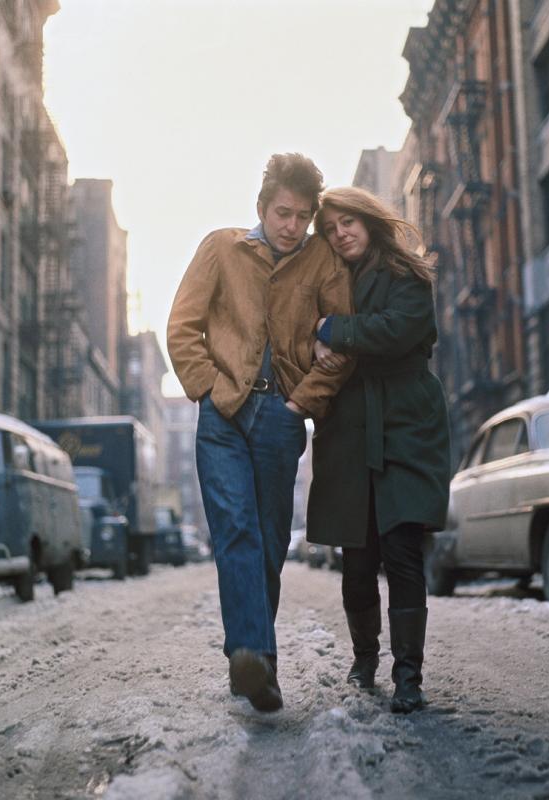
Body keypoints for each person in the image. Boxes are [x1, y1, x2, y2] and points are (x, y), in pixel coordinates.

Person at [166, 154, 353, 713]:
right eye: (282, 213)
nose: (291, 225)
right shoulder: (221, 248)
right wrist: (208, 390)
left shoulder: (321, 261)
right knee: (236, 530)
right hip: (222, 416)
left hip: (281, 416)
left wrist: (302, 403)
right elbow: (183, 327)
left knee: (270, 542)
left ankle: (256, 663)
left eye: (301, 216)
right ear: (262, 208)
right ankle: (249, 653)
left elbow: (340, 345)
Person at [307, 186, 451, 714]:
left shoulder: (408, 275)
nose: (341, 233)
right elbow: (303, 333)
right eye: (330, 228)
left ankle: (409, 676)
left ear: (369, 221)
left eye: (349, 222)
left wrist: (331, 330)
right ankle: (364, 659)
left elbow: (395, 331)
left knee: (402, 550)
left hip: (405, 422)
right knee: (357, 556)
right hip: (348, 426)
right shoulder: (327, 280)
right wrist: (317, 337)